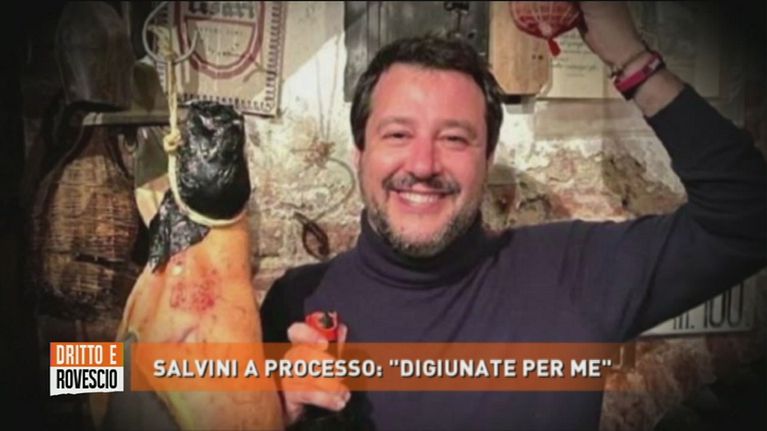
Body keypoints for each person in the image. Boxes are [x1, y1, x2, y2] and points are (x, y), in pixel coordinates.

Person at [261, 3, 767, 429]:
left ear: (487, 160)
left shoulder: (573, 272)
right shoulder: (297, 304)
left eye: (454, 138)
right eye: (397, 134)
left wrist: (632, 59)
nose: (423, 164)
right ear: (360, 153)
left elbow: (748, 217)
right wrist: (267, 418)